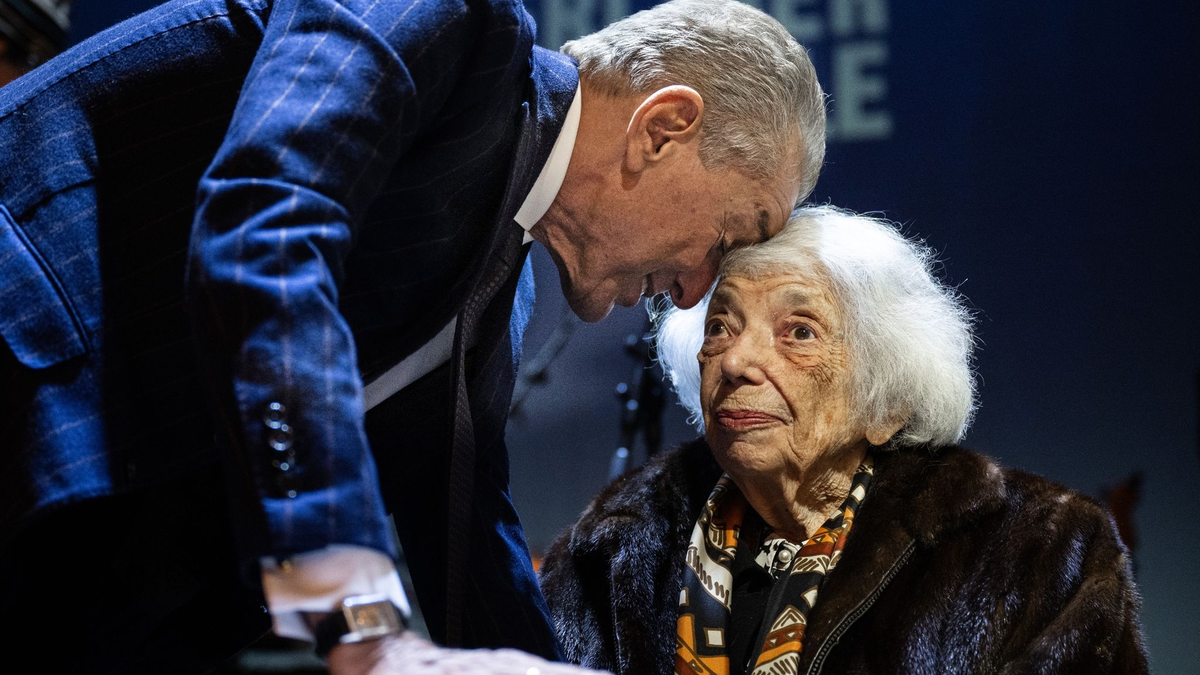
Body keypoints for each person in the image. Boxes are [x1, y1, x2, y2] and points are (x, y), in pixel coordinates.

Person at [0, 0, 825, 672]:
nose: (692, 292)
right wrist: (356, 618)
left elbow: (466, 537)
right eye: (728, 236)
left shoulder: (497, 288)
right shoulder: (454, 17)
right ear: (662, 127)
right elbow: (265, 226)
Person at [539, 206, 1149, 675]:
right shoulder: (610, 553)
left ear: (888, 401)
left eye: (798, 332)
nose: (738, 362)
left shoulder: (1039, 554)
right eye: (721, 326)